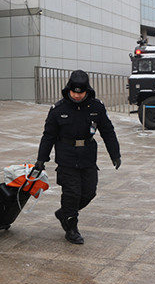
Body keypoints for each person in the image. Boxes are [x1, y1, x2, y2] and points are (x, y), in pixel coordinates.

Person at [34, 70, 121, 244]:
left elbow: (108, 131)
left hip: (88, 156)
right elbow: (48, 135)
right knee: (72, 193)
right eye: (74, 92)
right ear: (68, 90)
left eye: (81, 93)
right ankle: (71, 228)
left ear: (87, 91)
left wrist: (115, 154)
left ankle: (65, 213)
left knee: (89, 192)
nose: (77, 96)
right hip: (66, 156)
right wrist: (41, 159)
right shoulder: (58, 110)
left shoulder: (96, 107)